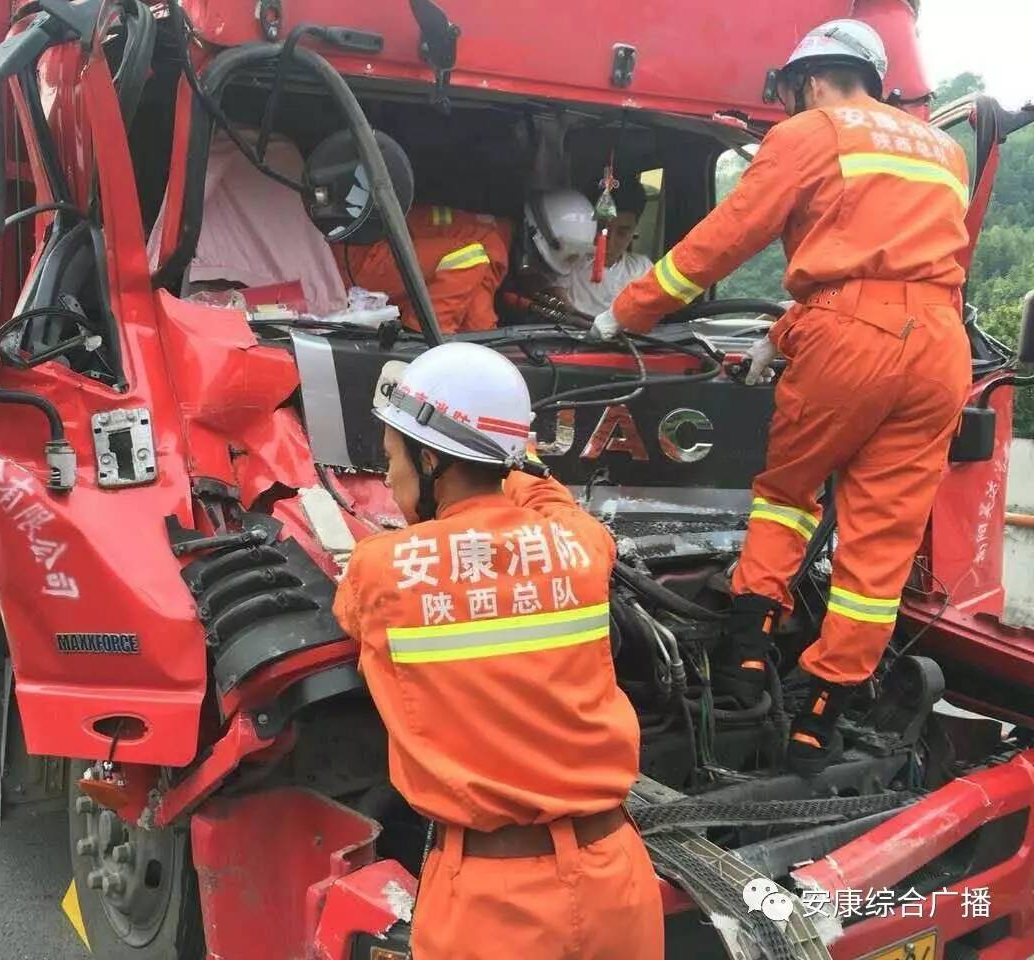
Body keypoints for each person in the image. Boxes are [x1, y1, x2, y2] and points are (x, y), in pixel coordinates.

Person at [594, 19, 973, 775]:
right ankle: (821, 719)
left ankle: (742, 653)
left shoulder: (813, 132)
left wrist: (627, 311)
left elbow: (724, 239)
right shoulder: (943, 149)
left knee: (787, 493)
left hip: (847, 339)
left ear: (805, 83)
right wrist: (786, 332)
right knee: (881, 541)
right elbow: (890, 267)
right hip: (940, 344)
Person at [332, 342, 663, 960]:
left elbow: (355, 615)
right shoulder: (581, 545)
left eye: (391, 461)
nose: (387, 479)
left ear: (429, 458)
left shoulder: (380, 570)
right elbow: (546, 498)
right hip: (617, 878)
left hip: (493, 902)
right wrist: (502, 448)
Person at [337, 204, 513, 334]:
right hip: (362, 255)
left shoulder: (480, 226)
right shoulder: (494, 243)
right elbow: (477, 324)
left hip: (355, 244)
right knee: (469, 257)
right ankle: (423, 338)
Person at [565, 176, 653, 315]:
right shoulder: (566, 266)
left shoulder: (642, 269)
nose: (609, 244)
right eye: (600, 229)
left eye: (622, 233)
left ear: (634, 230)